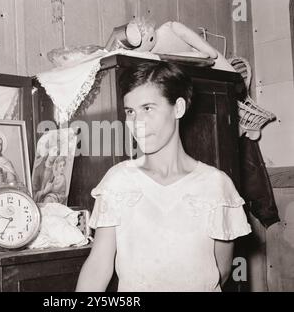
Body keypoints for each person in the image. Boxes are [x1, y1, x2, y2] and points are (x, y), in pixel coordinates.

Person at [76, 61, 252, 292]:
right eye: (131, 112)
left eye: (148, 108)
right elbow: (98, 266)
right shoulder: (118, 181)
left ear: (178, 108)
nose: (137, 123)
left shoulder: (216, 185)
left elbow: (222, 270)